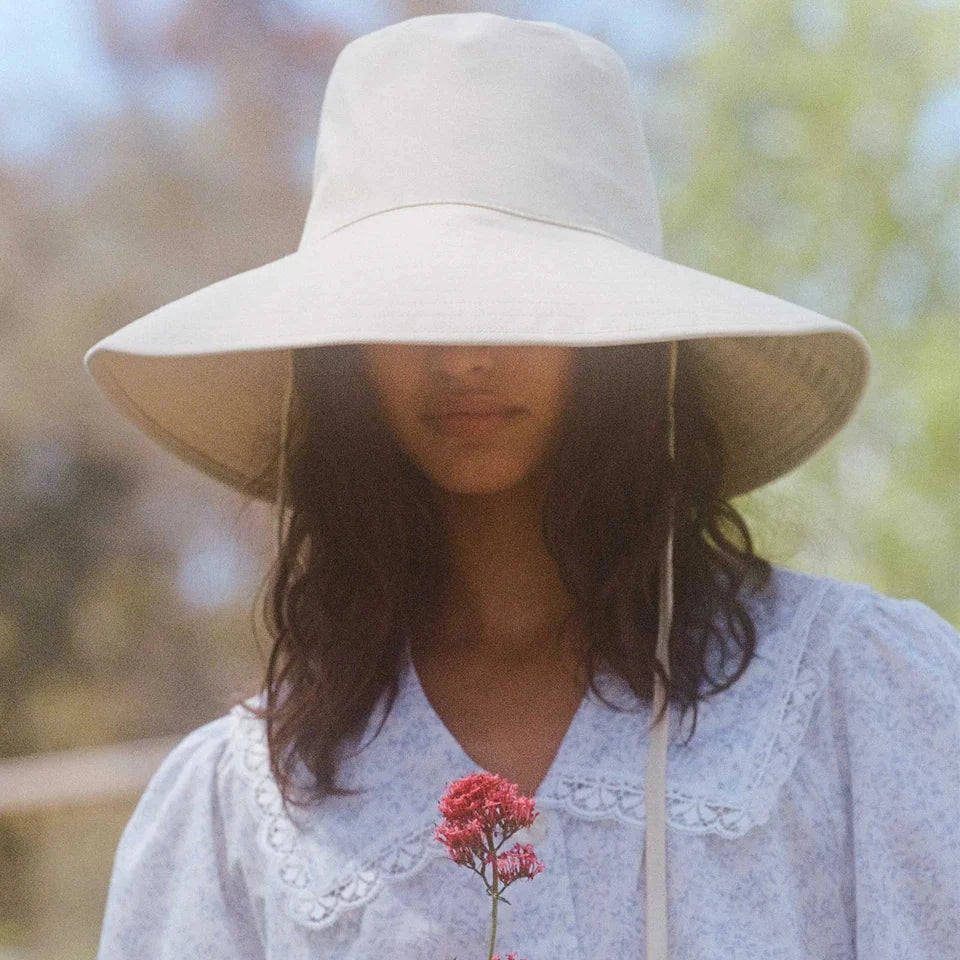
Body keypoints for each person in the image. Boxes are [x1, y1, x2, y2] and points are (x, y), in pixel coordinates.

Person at [83, 12, 959, 960]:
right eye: (408, 307)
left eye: (521, 302)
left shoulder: (855, 696)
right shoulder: (244, 809)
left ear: (629, 339)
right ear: (338, 357)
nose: (464, 357)